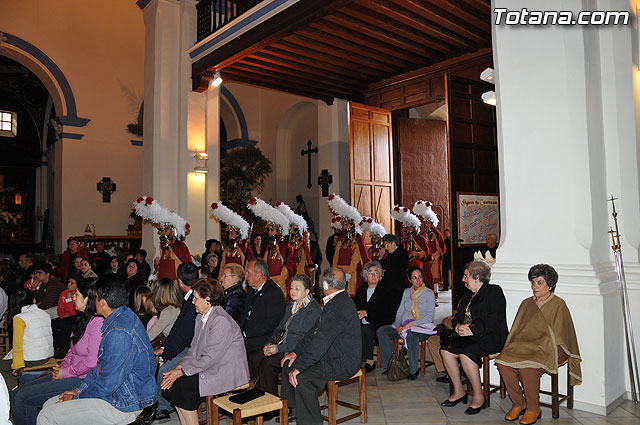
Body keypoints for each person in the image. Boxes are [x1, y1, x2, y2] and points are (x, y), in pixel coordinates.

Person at [36, 274, 157, 425]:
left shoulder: (118, 332)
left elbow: (107, 384)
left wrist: (76, 397)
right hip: (118, 393)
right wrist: (78, 390)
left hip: (125, 403)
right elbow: (100, 369)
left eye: (96, 297)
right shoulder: (121, 316)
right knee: (50, 405)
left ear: (103, 302)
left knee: (46, 416)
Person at [496, 264, 581, 425]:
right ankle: (519, 403)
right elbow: (517, 330)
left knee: (527, 367)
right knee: (503, 362)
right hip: (525, 347)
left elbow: (563, 335)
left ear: (550, 285)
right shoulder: (526, 303)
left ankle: (534, 409)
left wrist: (541, 344)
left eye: (539, 282)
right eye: (533, 282)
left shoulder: (558, 304)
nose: (535, 286)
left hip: (552, 348)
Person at [11, 277, 104, 425]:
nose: (73, 297)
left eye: (77, 294)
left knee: (22, 397)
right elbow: (72, 350)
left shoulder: (97, 323)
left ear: (88, 299)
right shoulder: (82, 319)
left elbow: (92, 361)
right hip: (70, 373)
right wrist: (63, 366)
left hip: (82, 379)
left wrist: (65, 372)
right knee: (16, 392)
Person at [161, 279, 249, 425]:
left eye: (196, 298)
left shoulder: (221, 321)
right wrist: (179, 368)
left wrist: (182, 372)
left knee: (183, 387)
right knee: (171, 386)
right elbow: (193, 350)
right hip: (211, 365)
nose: (193, 302)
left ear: (208, 299)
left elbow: (210, 358)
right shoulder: (200, 317)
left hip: (225, 371)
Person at [280, 267, 361, 425]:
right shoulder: (335, 300)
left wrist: (301, 366)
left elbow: (321, 342)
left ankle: (311, 422)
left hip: (342, 361)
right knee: (288, 364)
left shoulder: (338, 306)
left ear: (325, 285)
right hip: (331, 354)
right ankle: (295, 409)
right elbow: (313, 333)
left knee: (303, 378)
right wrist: (296, 353)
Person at [440, 260, 508, 415]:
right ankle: (459, 392)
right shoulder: (466, 296)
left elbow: (495, 319)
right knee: (446, 350)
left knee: (466, 353)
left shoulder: (494, 291)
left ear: (477, 277)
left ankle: (479, 396)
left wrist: (473, 330)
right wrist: (457, 327)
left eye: (466, 276)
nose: (463, 280)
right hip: (470, 338)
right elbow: (457, 318)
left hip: (491, 337)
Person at [247, 274, 320, 396]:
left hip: (297, 350)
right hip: (283, 344)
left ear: (307, 291)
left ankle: (272, 404)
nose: (293, 291)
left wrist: (277, 349)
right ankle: (258, 394)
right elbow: (279, 328)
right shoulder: (292, 305)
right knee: (255, 358)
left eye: (297, 288)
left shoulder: (313, 309)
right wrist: (269, 343)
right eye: (291, 288)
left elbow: (302, 340)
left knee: (267, 364)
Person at [151, 262, 199, 421]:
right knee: (161, 358)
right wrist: (165, 347)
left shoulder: (194, 300)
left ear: (179, 282)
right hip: (185, 344)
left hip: (192, 348)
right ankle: (157, 403)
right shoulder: (189, 297)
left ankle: (163, 408)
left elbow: (184, 336)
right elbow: (177, 330)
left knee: (164, 367)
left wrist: (167, 353)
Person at [377, 266, 436, 380]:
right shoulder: (406, 292)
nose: (418, 280)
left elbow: (429, 317)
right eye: (414, 278)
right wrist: (397, 325)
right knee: (382, 331)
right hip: (403, 326)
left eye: (419, 277)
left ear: (423, 278)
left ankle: (414, 370)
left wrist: (410, 325)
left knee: (411, 335)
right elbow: (400, 311)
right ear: (409, 280)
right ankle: (391, 365)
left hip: (422, 327)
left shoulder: (429, 293)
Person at [0, 290, 53, 391]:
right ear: (33, 300)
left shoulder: (19, 318)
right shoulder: (44, 313)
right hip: (47, 355)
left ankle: (14, 387)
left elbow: (17, 346)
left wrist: (17, 366)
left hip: (32, 359)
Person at [239, 258, 286, 353]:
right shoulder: (252, 288)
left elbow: (270, 324)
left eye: (248, 273)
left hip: (262, 337)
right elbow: (244, 313)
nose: (246, 276)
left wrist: (245, 334)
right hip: (248, 332)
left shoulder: (274, 294)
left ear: (259, 275)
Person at [353, 261, 392, 373]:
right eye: (370, 273)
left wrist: (367, 313)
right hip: (361, 323)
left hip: (378, 324)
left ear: (380, 275)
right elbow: (355, 305)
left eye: (376, 272)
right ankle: (351, 360)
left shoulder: (385, 291)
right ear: (366, 276)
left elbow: (385, 312)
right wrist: (358, 312)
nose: (374, 275)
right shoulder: (361, 290)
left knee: (366, 329)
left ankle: (369, 361)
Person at [379, 234, 409, 316]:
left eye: (387, 245)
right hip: (390, 285)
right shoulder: (390, 254)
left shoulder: (402, 253)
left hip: (398, 286)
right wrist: (381, 257)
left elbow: (398, 269)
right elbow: (383, 265)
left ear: (393, 243)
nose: (386, 247)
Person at [52, 273, 80, 358]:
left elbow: (74, 312)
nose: (68, 285)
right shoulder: (64, 293)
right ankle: (57, 347)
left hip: (75, 317)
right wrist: (61, 315)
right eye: (68, 282)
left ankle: (65, 349)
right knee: (53, 323)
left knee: (65, 324)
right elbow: (60, 309)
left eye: (72, 283)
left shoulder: (78, 295)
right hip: (64, 317)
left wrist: (68, 299)